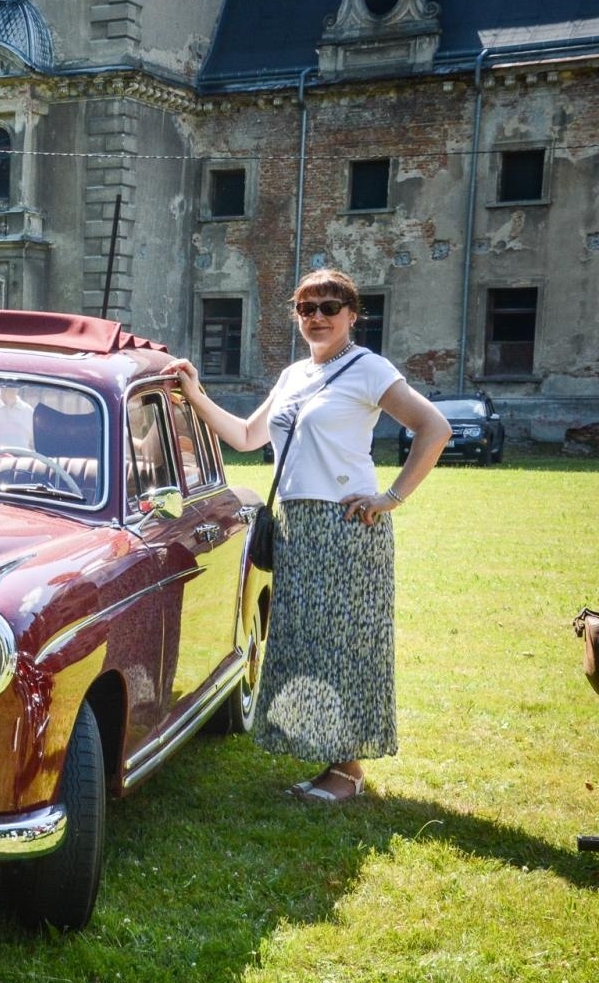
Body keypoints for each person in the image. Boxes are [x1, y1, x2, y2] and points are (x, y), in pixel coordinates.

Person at [162, 268, 449, 802]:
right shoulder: (294, 375)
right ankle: (332, 762)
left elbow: (434, 428)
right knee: (307, 643)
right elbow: (248, 436)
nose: (317, 317)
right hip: (296, 526)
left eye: (329, 307)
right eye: (306, 308)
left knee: (343, 645)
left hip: (347, 528)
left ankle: (348, 771)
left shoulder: (369, 369)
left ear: (352, 316)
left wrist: (392, 497)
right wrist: (195, 395)